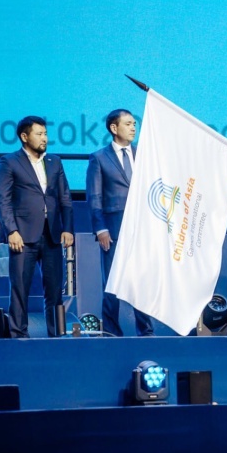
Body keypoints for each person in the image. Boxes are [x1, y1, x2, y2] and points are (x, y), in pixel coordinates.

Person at [0, 116, 74, 338]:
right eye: (39, 134)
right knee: (20, 288)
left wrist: (67, 228)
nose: (44, 138)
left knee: (55, 290)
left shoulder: (55, 162)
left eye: (45, 134)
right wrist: (11, 230)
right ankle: (19, 334)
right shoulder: (9, 162)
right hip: (23, 235)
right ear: (24, 136)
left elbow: (65, 198)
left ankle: (56, 334)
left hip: (52, 234)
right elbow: (3, 200)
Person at [85, 109, 154, 337]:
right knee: (113, 283)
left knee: (142, 281)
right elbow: (94, 196)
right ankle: (112, 332)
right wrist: (100, 228)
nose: (133, 128)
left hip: (141, 229)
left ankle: (146, 332)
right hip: (113, 229)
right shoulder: (99, 158)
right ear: (114, 128)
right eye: (128, 124)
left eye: (134, 124)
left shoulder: (143, 154)